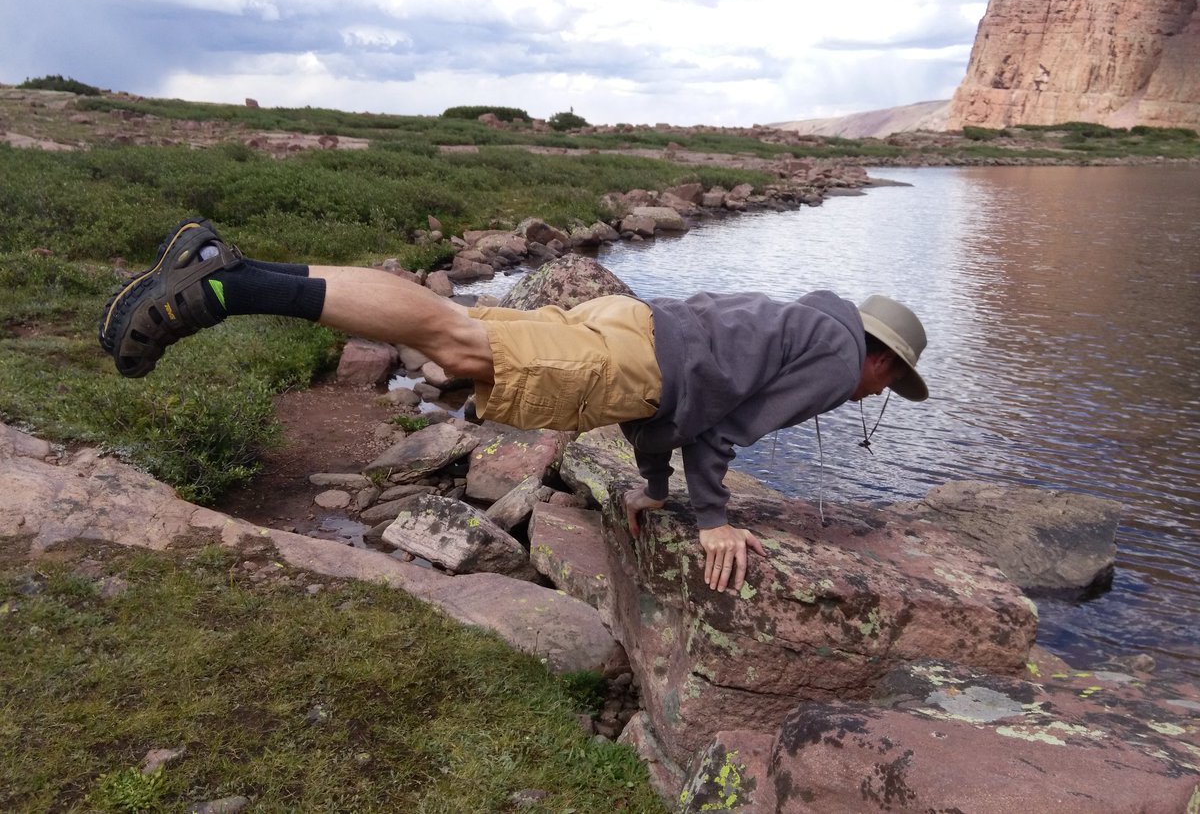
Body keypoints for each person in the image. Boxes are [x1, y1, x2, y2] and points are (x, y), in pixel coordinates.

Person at [100, 219, 929, 592]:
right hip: (632, 355)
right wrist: (711, 519)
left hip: (629, 324)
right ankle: (228, 284)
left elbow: (686, 396)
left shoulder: (796, 321)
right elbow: (717, 428)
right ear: (881, 358)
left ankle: (234, 273)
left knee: (451, 333)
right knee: (458, 343)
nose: (872, 394)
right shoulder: (836, 358)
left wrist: (654, 487)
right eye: (887, 386)